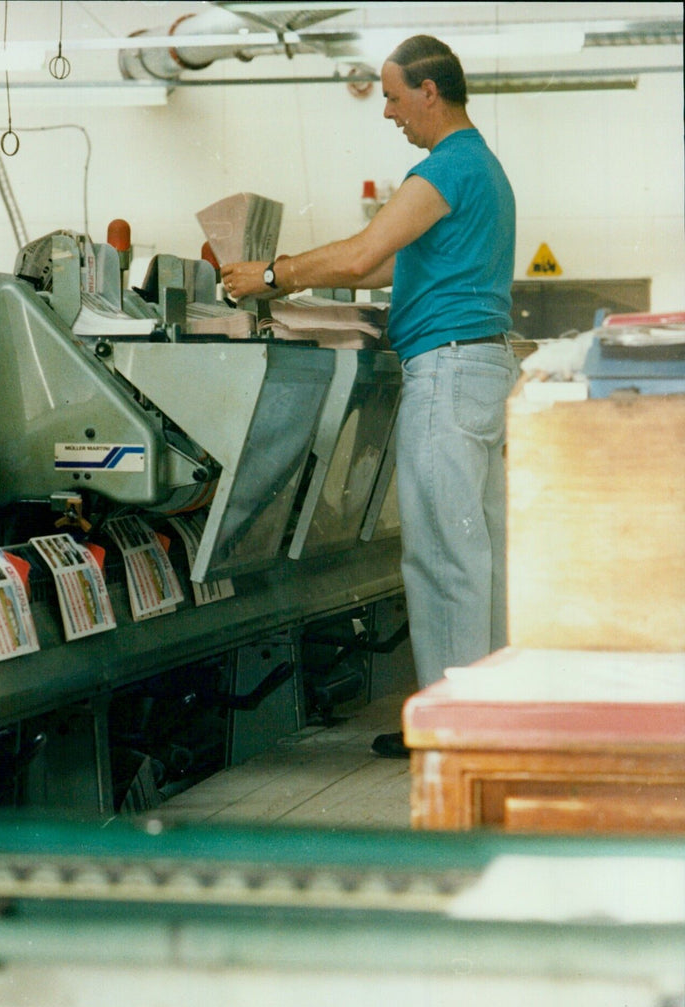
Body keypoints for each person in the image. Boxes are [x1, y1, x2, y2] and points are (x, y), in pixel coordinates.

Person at [221, 35, 518, 758]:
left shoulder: (445, 167)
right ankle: (487, 719)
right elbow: (386, 267)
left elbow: (361, 254)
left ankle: (452, 733)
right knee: (477, 554)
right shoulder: (482, 167)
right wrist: (297, 279)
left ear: (429, 91)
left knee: (443, 558)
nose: (387, 112)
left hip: (447, 374)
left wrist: (271, 275)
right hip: (481, 370)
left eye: (392, 96)